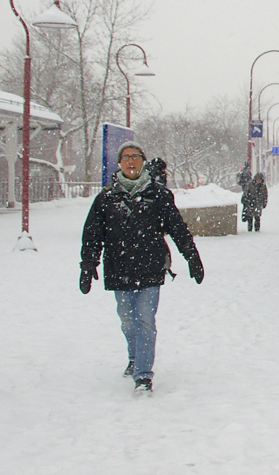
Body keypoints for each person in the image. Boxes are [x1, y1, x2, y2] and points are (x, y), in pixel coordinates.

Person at [79, 142, 204, 393]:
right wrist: (88, 264)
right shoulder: (106, 198)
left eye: (135, 157)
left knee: (145, 320)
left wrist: (192, 256)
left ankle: (143, 375)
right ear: (120, 164)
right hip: (119, 268)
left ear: (143, 162)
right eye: (126, 157)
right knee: (127, 320)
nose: (131, 161)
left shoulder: (158, 195)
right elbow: (93, 234)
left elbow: (177, 228)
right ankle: (135, 356)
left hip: (150, 267)